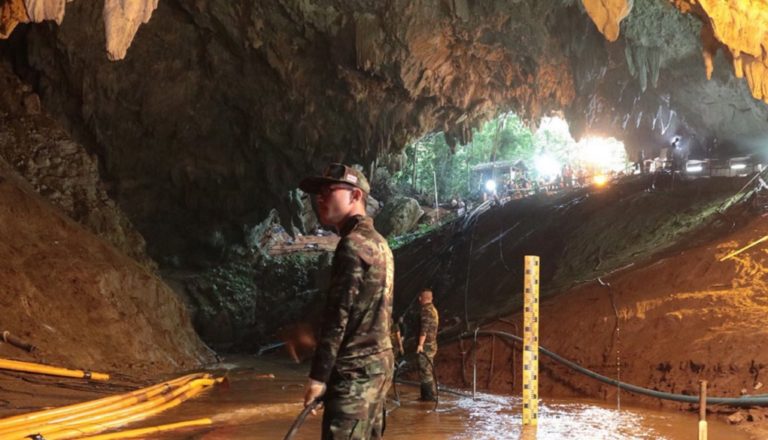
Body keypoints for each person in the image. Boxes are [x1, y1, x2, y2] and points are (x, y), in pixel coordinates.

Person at [299, 163, 395, 440]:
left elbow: (338, 317)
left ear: (355, 196)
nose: (320, 197)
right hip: (377, 370)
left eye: (329, 190)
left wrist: (318, 378)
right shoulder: (381, 244)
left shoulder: (352, 245)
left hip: (354, 374)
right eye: (318, 192)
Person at [416, 288, 439, 402]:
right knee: (427, 369)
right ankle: (426, 396)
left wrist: (420, 344)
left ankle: (429, 397)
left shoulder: (426, 310)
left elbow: (424, 329)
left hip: (427, 345)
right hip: (432, 343)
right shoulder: (433, 310)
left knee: (425, 370)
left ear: (421, 298)